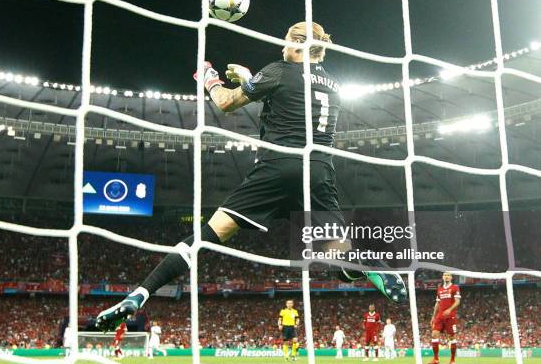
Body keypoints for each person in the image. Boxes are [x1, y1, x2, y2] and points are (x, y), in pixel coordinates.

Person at [95, 21, 407, 331]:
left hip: (276, 169)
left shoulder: (279, 70)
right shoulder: (334, 85)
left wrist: (209, 78)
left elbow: (226, 103)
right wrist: (251, 79)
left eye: (286, 41)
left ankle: (139, 294)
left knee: (206, 236)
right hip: (318, 173)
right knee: (338, 254)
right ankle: (370, 265)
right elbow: (292, 99)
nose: (282, 47)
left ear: (298, 45)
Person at [429, 271, 461, 364]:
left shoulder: (455, 287)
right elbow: (437, 303)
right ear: (443, 277)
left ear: (451, 277)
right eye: (445, 275)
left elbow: (457, 301)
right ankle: (436, 359)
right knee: (434, 334)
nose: (446, 277)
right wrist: (433, 317)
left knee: (452, 337)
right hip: (440, 316)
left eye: (448, 275)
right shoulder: (440, 289)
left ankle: (452, 360)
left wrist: (450, 309)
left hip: (450, 316)